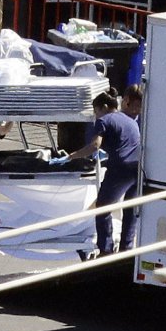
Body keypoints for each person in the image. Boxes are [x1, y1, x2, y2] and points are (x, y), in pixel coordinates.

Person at [51, 88, 141, 255]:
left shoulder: (104, 120)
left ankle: (106, 250)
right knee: (131, 209)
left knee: (102, 208)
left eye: (95, 111)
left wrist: (71, 157)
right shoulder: (129, 119)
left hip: (119, 169)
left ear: (104, 106)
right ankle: (126, 249)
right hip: (137, 168)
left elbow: (95, 145)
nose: (95, 115)